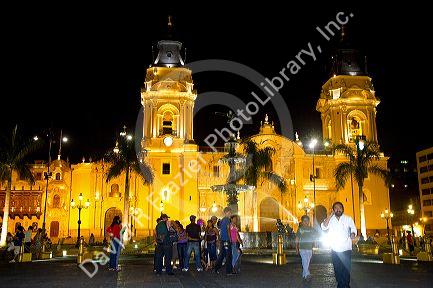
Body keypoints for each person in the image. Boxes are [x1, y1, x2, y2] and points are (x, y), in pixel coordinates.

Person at [321, 202, 356, 288]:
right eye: (336, 208)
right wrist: (330, 215)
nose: (338, 209)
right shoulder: (330, 219)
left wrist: (352, 234)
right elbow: (323, 227)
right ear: (333, 210)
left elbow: (353, 229)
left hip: (346, 248)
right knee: (337, 269)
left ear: (343, 209)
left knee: (346, 268)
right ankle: (341, 284)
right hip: (335, 249)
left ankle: (345, 285)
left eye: (340, 207)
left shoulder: (348, 219)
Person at [296, 215, 316, 281]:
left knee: (307, 261)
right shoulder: (300, 229)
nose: (306, 222)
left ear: (309, 221)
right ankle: (307, 274)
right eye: (304, 221)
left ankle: (304, 274)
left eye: (307, 220)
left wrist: (313, 246)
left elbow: (313, 238)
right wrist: (297, 248)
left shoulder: (312, 229)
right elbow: (297, 238)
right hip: (302, 247)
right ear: (302, 222)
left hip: (309, 247)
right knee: (304, 260)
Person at [214, 207, 233, 275]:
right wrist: (230, 239)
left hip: (223, 240)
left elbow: (220, 229)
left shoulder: (222, 220)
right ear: (226, 212)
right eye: (230, 212)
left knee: (222, 255)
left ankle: (216, 268)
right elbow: (228, 230)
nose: (231, 214)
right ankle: (229, 271)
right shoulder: (227, 219)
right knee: (228, 256)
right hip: (226, 240)